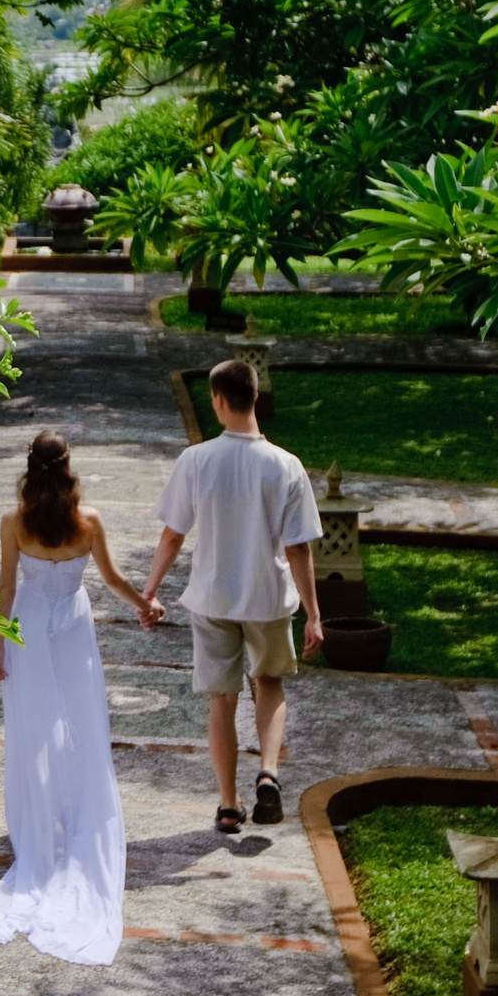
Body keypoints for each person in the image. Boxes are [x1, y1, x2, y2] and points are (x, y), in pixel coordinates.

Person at [0, 430, 162, 965]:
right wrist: (145, 604)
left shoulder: (14, 522)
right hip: (74, 626)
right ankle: (78, 814)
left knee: (35, 728)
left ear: (28, 468)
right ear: (68, 467)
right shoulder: (89, 521)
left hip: (29, 624)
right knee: (81, 724)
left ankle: (40, 822)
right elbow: (112, 579)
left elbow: (6, 590)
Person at [142, 358, 325, 835]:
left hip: (212, 599)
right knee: (270, 683)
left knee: (221, 700)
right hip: (268, 597)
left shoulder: (197, 460)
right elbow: (298, 547)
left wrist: (150, 590)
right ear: (256, 397)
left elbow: (172, 536)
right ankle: (268, 772)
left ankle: (227, 805)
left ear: (218, 401)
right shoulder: (286, 466)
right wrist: (313, 614)